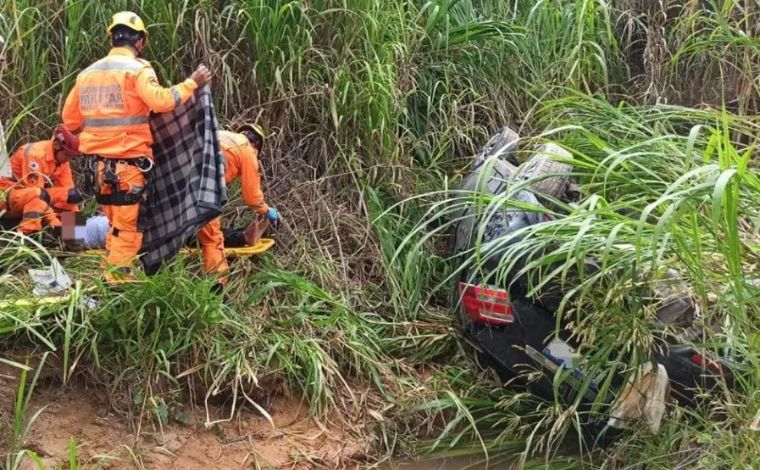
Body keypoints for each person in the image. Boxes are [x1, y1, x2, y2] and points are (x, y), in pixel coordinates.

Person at [61, 11, 212, 283]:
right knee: (127, 232)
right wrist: (193, 83)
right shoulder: (138, 69)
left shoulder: (86, 74)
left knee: (115, 228)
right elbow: (162, 101)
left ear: (112, 38)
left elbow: (69, 120)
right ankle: (116, 288)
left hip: (97, 169)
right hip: (127, 168)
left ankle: (111, 278)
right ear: (140, 41)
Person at [196, 124, 278, 283]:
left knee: (183, 230)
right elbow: (252, 198)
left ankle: (242, 237)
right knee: (211, 240)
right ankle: (216, 291)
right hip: (203, 186)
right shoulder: (247, 150)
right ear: (257, 145)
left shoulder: (221, 136)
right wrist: (267, 211)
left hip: (176, 177)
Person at [0, 126, 81, 234]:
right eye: (67, 155)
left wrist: (70, 198)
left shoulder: (62, 161)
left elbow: (67, 190)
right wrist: (55, 222)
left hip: (26, 196)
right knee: (39, 195)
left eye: (72, 156)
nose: (68, 159)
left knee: (71, 199)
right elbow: (38, 195)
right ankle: (26, 235)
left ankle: (74, 238)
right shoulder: (35, 154)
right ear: (56, 145)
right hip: (5, 195)